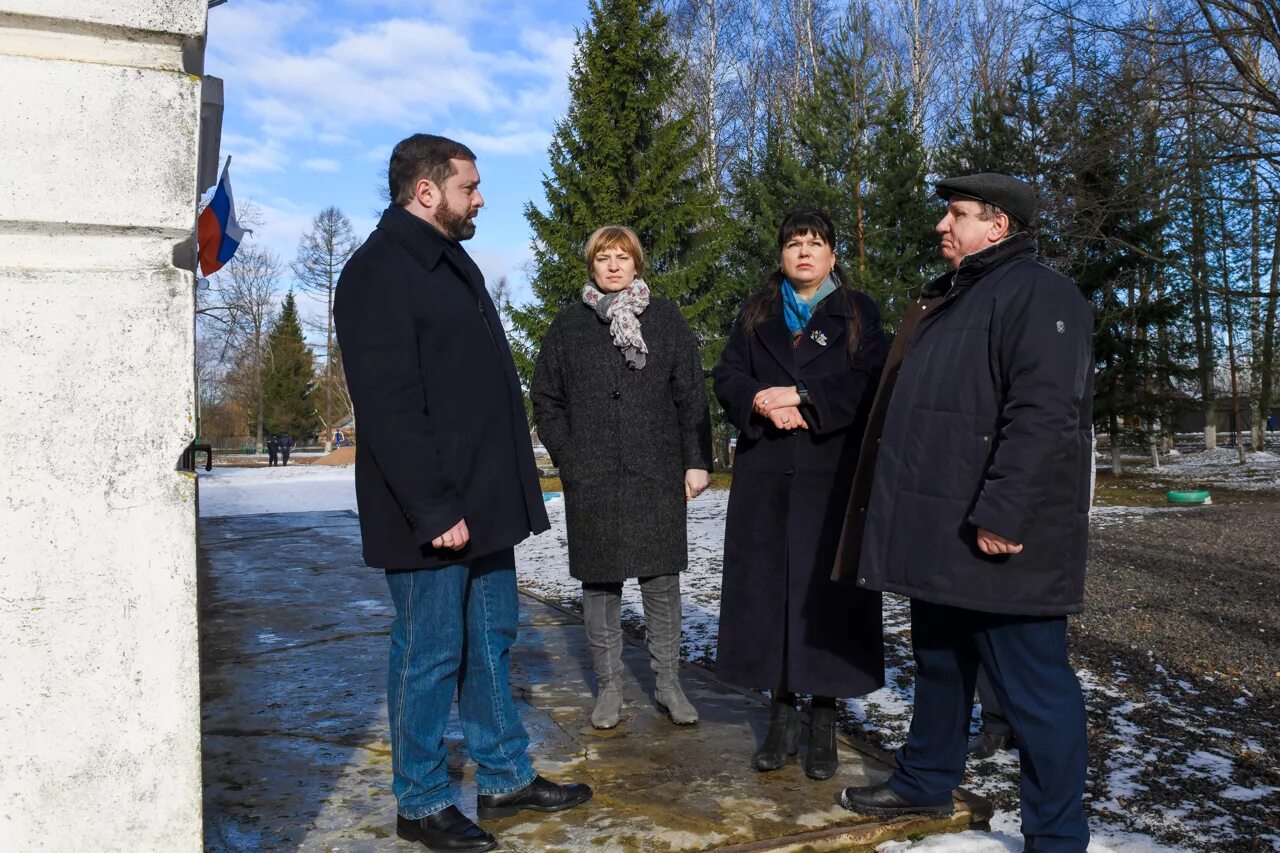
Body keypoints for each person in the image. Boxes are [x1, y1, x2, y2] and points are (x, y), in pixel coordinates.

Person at [333, 133, 591, 853]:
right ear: (426, 191)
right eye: (469, 187)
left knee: (492, 641)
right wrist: (435, 507)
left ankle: (505, 776)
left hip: (485, 504)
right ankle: (418, 800)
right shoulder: (378, 271)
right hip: (435, 512)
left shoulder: (451, 260)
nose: (480, 199)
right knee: (429, 652)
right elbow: (390, 407)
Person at [836, 173, 1094, 853]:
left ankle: (1058, 835)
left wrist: (1005, 512)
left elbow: (1044, 414)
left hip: (1002, 534)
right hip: (943, 528)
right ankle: (925, 778)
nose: (942, 226)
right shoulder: (956, 297)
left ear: (998, 225)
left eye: (957, 215)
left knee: (1035, 688)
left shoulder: (1039, 294)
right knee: (942, 661)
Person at [712, 209, 887, 781]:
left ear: (834, 255)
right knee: (770, 597)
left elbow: (870, 378)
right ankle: (781, 718)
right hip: (766, 476)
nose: (804, 253)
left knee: (825, 598)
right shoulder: (756, 312)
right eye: (794, 244)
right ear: (782, 255)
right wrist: (763, 401)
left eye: (815, 243)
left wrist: (804, 396)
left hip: (830, 477)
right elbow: (727, 375)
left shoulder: (858, 313)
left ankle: (824, 723)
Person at [531, 225, 714, 730]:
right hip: (593, 477)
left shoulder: (666, 319)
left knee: (661, 582)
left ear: (638, 265)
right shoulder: (568, 326)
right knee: (600, 585)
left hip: (655, 472)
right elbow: (546, 399)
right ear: (592, 267)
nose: (613, 266)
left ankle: (669, 684)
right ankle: (609, 687)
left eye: (622, 257)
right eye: (603, 258)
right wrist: (570, 458)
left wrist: (695, 460)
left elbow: (691, 394)